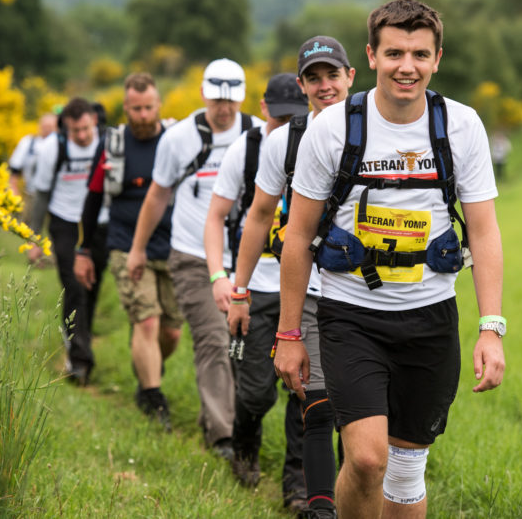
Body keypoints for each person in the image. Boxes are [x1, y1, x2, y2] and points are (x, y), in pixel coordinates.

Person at [275, 0, 506, 518]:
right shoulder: (332, 128)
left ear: (437, 58)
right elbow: (298, 237)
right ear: (372, 56)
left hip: (430, 317)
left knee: (405, 471)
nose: (408, 66)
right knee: (365, 458)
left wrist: (491, 327)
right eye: (396, 52)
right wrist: (289, 334)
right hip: (351, 315)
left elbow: (485, 232)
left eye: (420, 54)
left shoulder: (462, 126)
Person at [227, 36, 356, 519]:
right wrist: (238, 290)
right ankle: (305, 496)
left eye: (332, 75)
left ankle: (353, 494)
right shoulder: (285, 141)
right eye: (313, 78)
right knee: (313, 398)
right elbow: (258, 216)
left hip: (366, 295)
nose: (324, 86)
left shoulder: (378, 131)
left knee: (357, 412)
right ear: (301, 86)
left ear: (350, 76)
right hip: (306, 289)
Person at [126, 59, 264, 458]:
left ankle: (235, 420)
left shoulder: (256, 133)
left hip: (245, 256)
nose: (224, 109)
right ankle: (223, 436)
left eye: (232, 101)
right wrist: (137, 249)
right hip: (191, 255)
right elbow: (157, 196)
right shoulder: (179, 138)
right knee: (213, 339)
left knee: (244, 342)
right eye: (218, 100)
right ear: (204, 94)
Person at [203, 72, 311, 510]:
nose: (288, 124)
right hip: (258, 285)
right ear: (264, 109)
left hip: (304, 287)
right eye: (281, 116)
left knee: (305, 389)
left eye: (296, 116)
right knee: (255, 391)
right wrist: (222, 278)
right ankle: (246, 445)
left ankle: (297, 483)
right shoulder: (245, 151)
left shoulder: (316, 142)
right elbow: (216, 217)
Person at [74, 73, 183, 429]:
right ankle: (152, 397)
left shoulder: (176, 139)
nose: (142, 115)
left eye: (148, 107)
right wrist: (84, 249)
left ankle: (148, 365)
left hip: (172, 244)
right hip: (124, 243)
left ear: (158, 105)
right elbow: (92, 199)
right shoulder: (113, 144)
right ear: (126, 108)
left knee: (171, 333)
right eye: (135, 109)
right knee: (146, 321)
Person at [29, 97, 109, 386]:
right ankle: (79, 361)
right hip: (65, 222)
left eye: (87, 129)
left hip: (100, 222)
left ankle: (80, 346)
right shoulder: (53, 147)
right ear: (67, 128)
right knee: (74, 287)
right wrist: (34, 237)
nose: (83, 136)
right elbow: (40, 195)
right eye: (77, 131)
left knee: (91, 287)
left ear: (94, 122)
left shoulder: (108, 142)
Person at [8, 112, 58, 226]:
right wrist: (14, 189)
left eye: (51, 127)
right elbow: (14, 169)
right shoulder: (28, 142)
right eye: (44, 127)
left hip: (54, 196)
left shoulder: (60, 145)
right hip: (31, 193)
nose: (47, 130)